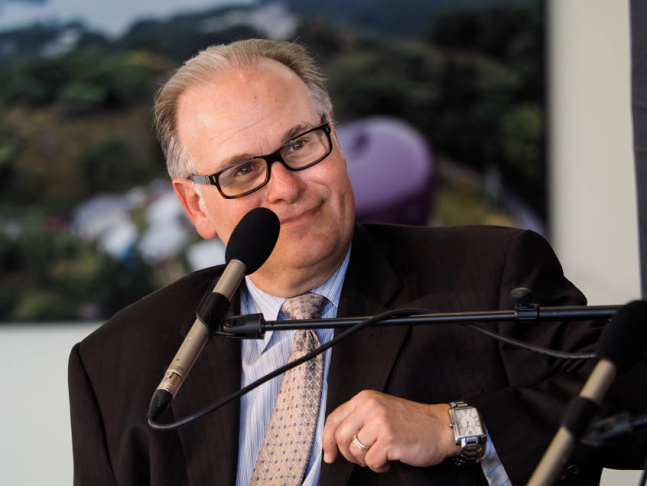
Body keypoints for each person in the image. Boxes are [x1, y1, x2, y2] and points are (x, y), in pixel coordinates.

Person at [69, 39, 611, 486]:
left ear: (336, 140)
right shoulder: (117, 362)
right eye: (242, 171)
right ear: (195, 206)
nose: (285, 187)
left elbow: (630, 399)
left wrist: (457, 426)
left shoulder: (491, 274)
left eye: (300, 144)